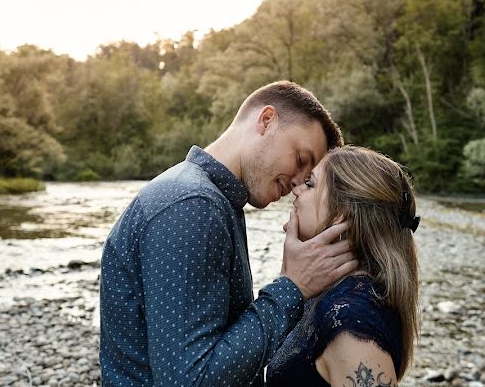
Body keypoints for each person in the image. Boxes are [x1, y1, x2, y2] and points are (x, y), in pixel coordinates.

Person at [99, 81, 358, 386]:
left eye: (309, 178)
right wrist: (293, 286)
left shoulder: (213, 201)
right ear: (266, 120)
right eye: (301, 160)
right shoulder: (193, 206)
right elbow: (188, 382)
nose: (297, 185)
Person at [266, 145, 421, 387]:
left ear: (341, 213)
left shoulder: (352, 319)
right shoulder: (328, 290)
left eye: (310, 184)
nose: (295, 190)